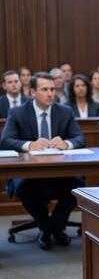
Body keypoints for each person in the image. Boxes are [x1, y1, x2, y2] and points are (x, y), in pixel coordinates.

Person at [0, 72, 85, 250]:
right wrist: (29, 145)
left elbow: (79, 138)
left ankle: (51, 228)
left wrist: (66, 143)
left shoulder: (65, 111)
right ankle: (50, 229)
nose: (50, 94)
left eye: (52, 89)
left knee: (77, 185)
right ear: (32, 92)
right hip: (29, 174)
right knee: (22, 187)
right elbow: (6, 140)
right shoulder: (18, 112)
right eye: (44, 89)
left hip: (60, 173)